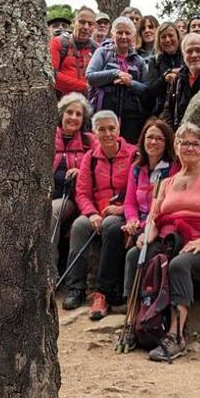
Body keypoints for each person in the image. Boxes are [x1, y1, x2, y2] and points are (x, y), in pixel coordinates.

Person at [136, 122, 200, 361]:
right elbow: (155, 215)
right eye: (185, 143)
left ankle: (176, 335)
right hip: (171, 237)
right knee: (138, 255)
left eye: (195, 144)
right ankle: (142, 323)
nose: (190, 148)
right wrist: (147, 236)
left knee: (179, 265)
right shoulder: (166, 182)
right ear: (176, 146)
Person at [60, 110, 136, 316]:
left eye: (111, 128)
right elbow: (82, 192)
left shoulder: (133, 155)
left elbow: (137, 189)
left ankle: (102, 292)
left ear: (119, 128)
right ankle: (75, 287)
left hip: (121, 209)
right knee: (78, 226)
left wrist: (121, 208)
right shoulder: (90, 158)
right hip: (96, 210)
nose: (107, 133)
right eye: (101, 129)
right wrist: (91, 213)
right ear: (94, 132)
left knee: (112, 225)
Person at [120, 119, 178, 299]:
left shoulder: (172, 169)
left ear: (167, 142)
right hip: (139, 222)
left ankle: (134, 301)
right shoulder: (137, 168)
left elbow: (166, 205)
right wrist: (132, 220)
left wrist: (143, 224)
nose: (153, 142)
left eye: (159, 139)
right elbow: (129, 201)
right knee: (112, 231)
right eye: (150, 137)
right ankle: (108, 292)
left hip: (158, 223)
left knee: (133, 253)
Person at [86, 16, 150, 142]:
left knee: (128, 150)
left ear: (133, 35)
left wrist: (130, 83)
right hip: (103, 111)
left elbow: (147, 90)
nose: (123, 36)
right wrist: (115, 73)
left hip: (131, 117)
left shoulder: (139, 61)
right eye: (119, 32)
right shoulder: (103, 52)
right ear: (112, 34)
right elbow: (90, 77)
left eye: (127, 33)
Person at [52, 93, 94, 282]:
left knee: (51, 212)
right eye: (70, 112)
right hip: (45, 194)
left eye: (79, 114)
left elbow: (99, 167)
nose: (74, 117)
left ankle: (49, 272)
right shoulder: (48, 137)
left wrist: (82, 170)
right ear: (61, 114)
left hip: (72, 198)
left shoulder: (89, 141)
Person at [50, 6, 98, 97]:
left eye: (90, 24)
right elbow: (52, 75)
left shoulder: (96, 48)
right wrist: (84, 87)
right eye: (82, 22)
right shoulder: (58, 42)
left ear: (94, 26)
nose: (86, 27)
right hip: (63, 102)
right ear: (73, 23)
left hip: (89, 103)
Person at [144, 22, 184, 114]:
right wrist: (164, 77)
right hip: (163, 110)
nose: (167, 40)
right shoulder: (155, 61)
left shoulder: (187, 57)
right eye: (163, 37)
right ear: (159, 41)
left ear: (178, 37)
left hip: (184, 107)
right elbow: (150, 91)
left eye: (171, 35)